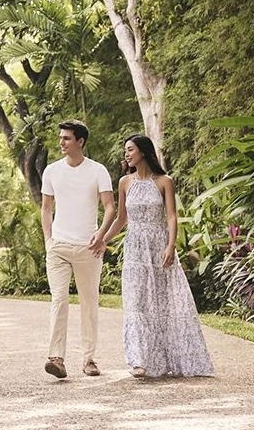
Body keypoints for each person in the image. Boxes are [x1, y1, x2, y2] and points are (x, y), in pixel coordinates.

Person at [89, 134, 214, 378]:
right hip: (135, 249)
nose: (126, 155)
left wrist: (171, 246)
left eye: (130, 150)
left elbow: (171, 217)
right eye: (125, 151)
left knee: (164, 303)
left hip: (158, 247)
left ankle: (167, 358)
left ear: (143, 152)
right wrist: (103, 239)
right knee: (136, 303)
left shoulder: (164, 181)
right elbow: (121, 219)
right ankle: (139, 360)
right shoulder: (125, 182)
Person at [40, 120, 116, 378]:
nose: (61, 142)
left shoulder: (98, 171)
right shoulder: (51, 171)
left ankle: (89, 359)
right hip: (59, 247)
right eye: (61, 137)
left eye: (67, 138)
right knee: (59, 300)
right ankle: (56, 358)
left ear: (80, 141)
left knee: (89, 302)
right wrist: (48, 241)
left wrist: (101, 234)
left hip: (89, 247)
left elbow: (110, 208)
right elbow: (46, 208)